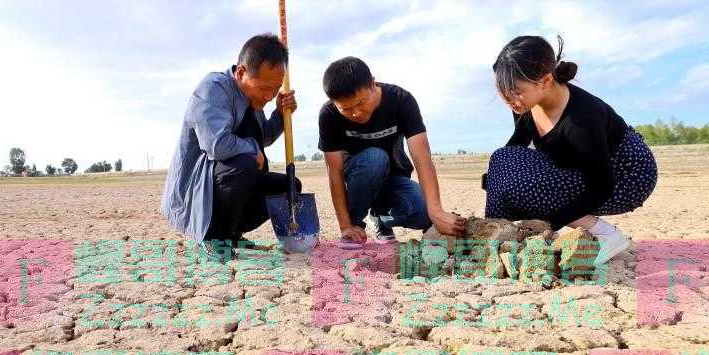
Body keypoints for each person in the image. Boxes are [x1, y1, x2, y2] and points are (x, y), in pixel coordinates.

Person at [487, 35, 657, 265]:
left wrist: (548, 225)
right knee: (500, 163)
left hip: (624, 176)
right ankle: (496, 239)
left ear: (545, 81)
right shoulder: (525, 104)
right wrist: (494, 184)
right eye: (503, 92)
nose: (509, 99)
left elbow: (601, 186)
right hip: (578, 167)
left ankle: (607, 234)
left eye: (515, 91)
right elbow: (514, 148)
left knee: (526, 188)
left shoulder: (582, 119)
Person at [161, 33, 299, 260]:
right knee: (244, 162)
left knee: (290, 187)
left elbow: (262, 137)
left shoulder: (254, 98)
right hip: (200, 189)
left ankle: (232, 232)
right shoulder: (213, 89)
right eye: (264, 88)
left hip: (235, 181)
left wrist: (280, 113)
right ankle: (214, 237)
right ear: (241, 73)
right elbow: (217, 145)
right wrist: (253, 150)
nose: (268, 95)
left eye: (275, 89)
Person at [317, 56, 465, 250]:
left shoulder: (401, 100)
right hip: (357, 183)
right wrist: (345, 225)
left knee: (423, 212)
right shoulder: (328, 115)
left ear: (372, 83)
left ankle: (379, 218)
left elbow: (422, 157)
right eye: (346, 109)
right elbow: (334, 173)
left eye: (361, 103)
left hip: (393, 181)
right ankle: (355, 225)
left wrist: (436, 211)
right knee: (375, 158)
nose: (356, 113)